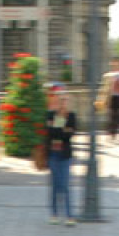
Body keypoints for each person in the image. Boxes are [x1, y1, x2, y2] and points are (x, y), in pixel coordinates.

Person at [45, 85, 77, 225]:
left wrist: (57, 129)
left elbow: (69, 135)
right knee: (55, 185)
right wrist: (61, 130)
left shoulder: (72, 116)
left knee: (64, 185)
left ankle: (69, 215)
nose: (63, 103)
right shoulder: (50, 115)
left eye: (65, 100)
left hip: (65, 155)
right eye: (60, 100)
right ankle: (54, 214)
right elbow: (50, 133)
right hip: (52, 154)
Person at [104, 59, 119, 139]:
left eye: (118, 65)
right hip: (111, 96)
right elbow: (106, 86)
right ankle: (111, 132)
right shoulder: (110, 75)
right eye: (115, 65)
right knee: (111, 115)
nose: (117, 67)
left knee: (117, 115)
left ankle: (114, 133)